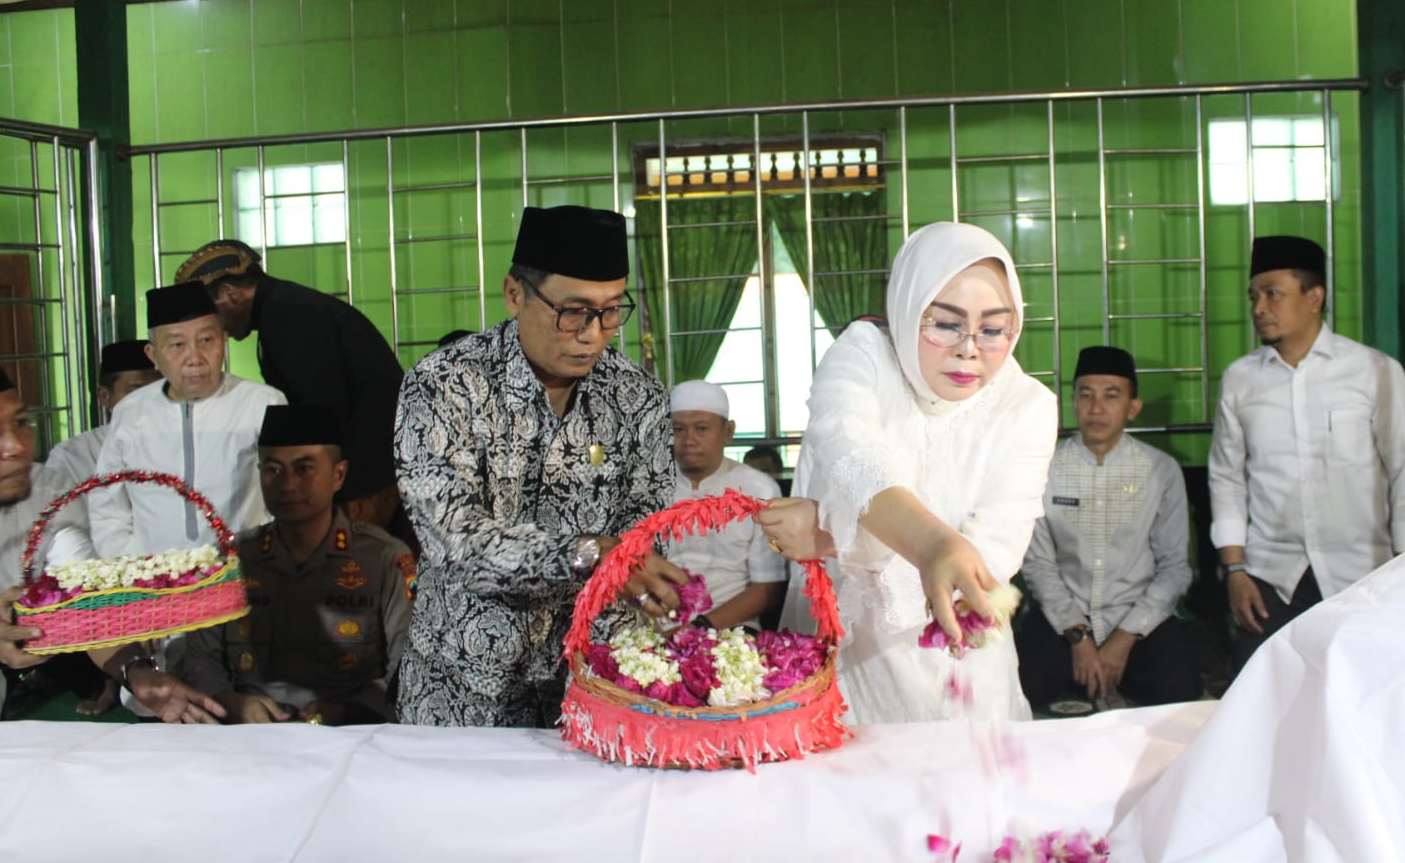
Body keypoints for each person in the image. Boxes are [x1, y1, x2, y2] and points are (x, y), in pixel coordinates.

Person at [394, 204, 685, 728]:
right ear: (514, 294)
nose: (593, 333)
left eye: (611, 311)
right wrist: (588, 553)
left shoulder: (636, 397)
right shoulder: (444, 386)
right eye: (573, 311)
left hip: (597, 684)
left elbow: (647, 526)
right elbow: (454, 538)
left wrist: (636, 563)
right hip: (462, 689)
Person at [758, 221, 1059, 724]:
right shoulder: (864, 355)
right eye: (944, 324)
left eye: (992, 329)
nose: (969, 348)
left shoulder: (1026, 406)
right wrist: (937, 547)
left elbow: (991, 556)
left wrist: (833, 536)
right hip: (851, 655)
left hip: (961, 660)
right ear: (907, 307)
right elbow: (853, 455)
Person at [1210, 235, 1405, 670]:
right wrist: (1235, 571)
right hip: (1271, 581)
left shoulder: (1374, 371)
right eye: (1254, 296)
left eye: (1273, 294)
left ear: (1314, 297)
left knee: (1361, 701)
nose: (1259, 308)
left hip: (1363, 576)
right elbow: (1226, 478)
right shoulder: (1240, 380)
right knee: (1266, 708)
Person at [0, 361, 223, 724]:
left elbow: (84, 599)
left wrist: (138, 672)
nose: (16, 446)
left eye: (21, 423)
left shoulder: (47, 492)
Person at [183, 405, 413, 725]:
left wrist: (352, 709)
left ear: (338, 475)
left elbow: (410, 663)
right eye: (273, 470)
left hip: (356, 734)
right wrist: (230, 703)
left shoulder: (385, 560)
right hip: (245, 736)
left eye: (304, 469)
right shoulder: (229, 560)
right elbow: (197, 655)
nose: (288, 484)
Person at [1016, 346, 1200, 713]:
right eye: (1086, 395)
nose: (1096, 408)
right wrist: (1077, 636)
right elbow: (1038, 566)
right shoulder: (1045, 467)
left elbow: (1175, 567)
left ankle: (1106, 673)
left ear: (1133, 407)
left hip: (1137, 617)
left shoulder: (1160, 471)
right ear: (1073, 402)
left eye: (1111, 396)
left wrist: (1125, 637)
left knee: (1179, 687)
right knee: (1027, 685)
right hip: (1065, 618)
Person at [175, 240, 405, 529]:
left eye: (214, 317)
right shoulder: (284, 307)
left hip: (367, 474)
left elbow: (323, 413)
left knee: (352, 568)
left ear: (229, 293)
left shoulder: (288, 316)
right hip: (369, 467)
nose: (221, 329)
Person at [62, 283, 285, 567]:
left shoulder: (262, 403)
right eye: (178, 345)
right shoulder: (131, 413)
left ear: (224, 341)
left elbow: (289, 495)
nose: (195, 358)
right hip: (156, 584)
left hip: (246, 575)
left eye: (206, 340)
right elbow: (108, 506)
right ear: (154, 355)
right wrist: (133, 566)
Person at [668, 380, 786, 629]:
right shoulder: (648, 487)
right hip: (653, 627)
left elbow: (768, 588)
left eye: (701, 429)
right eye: (678, 429)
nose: (689, 440)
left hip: (731, 630)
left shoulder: (758, 489)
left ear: (728, 432)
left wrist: (699, 627)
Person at [43, 340, 161, 489]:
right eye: (134, 393)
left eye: (159, 392)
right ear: (105, 396)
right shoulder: (72, 457)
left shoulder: (182, 444)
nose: (149, 403)